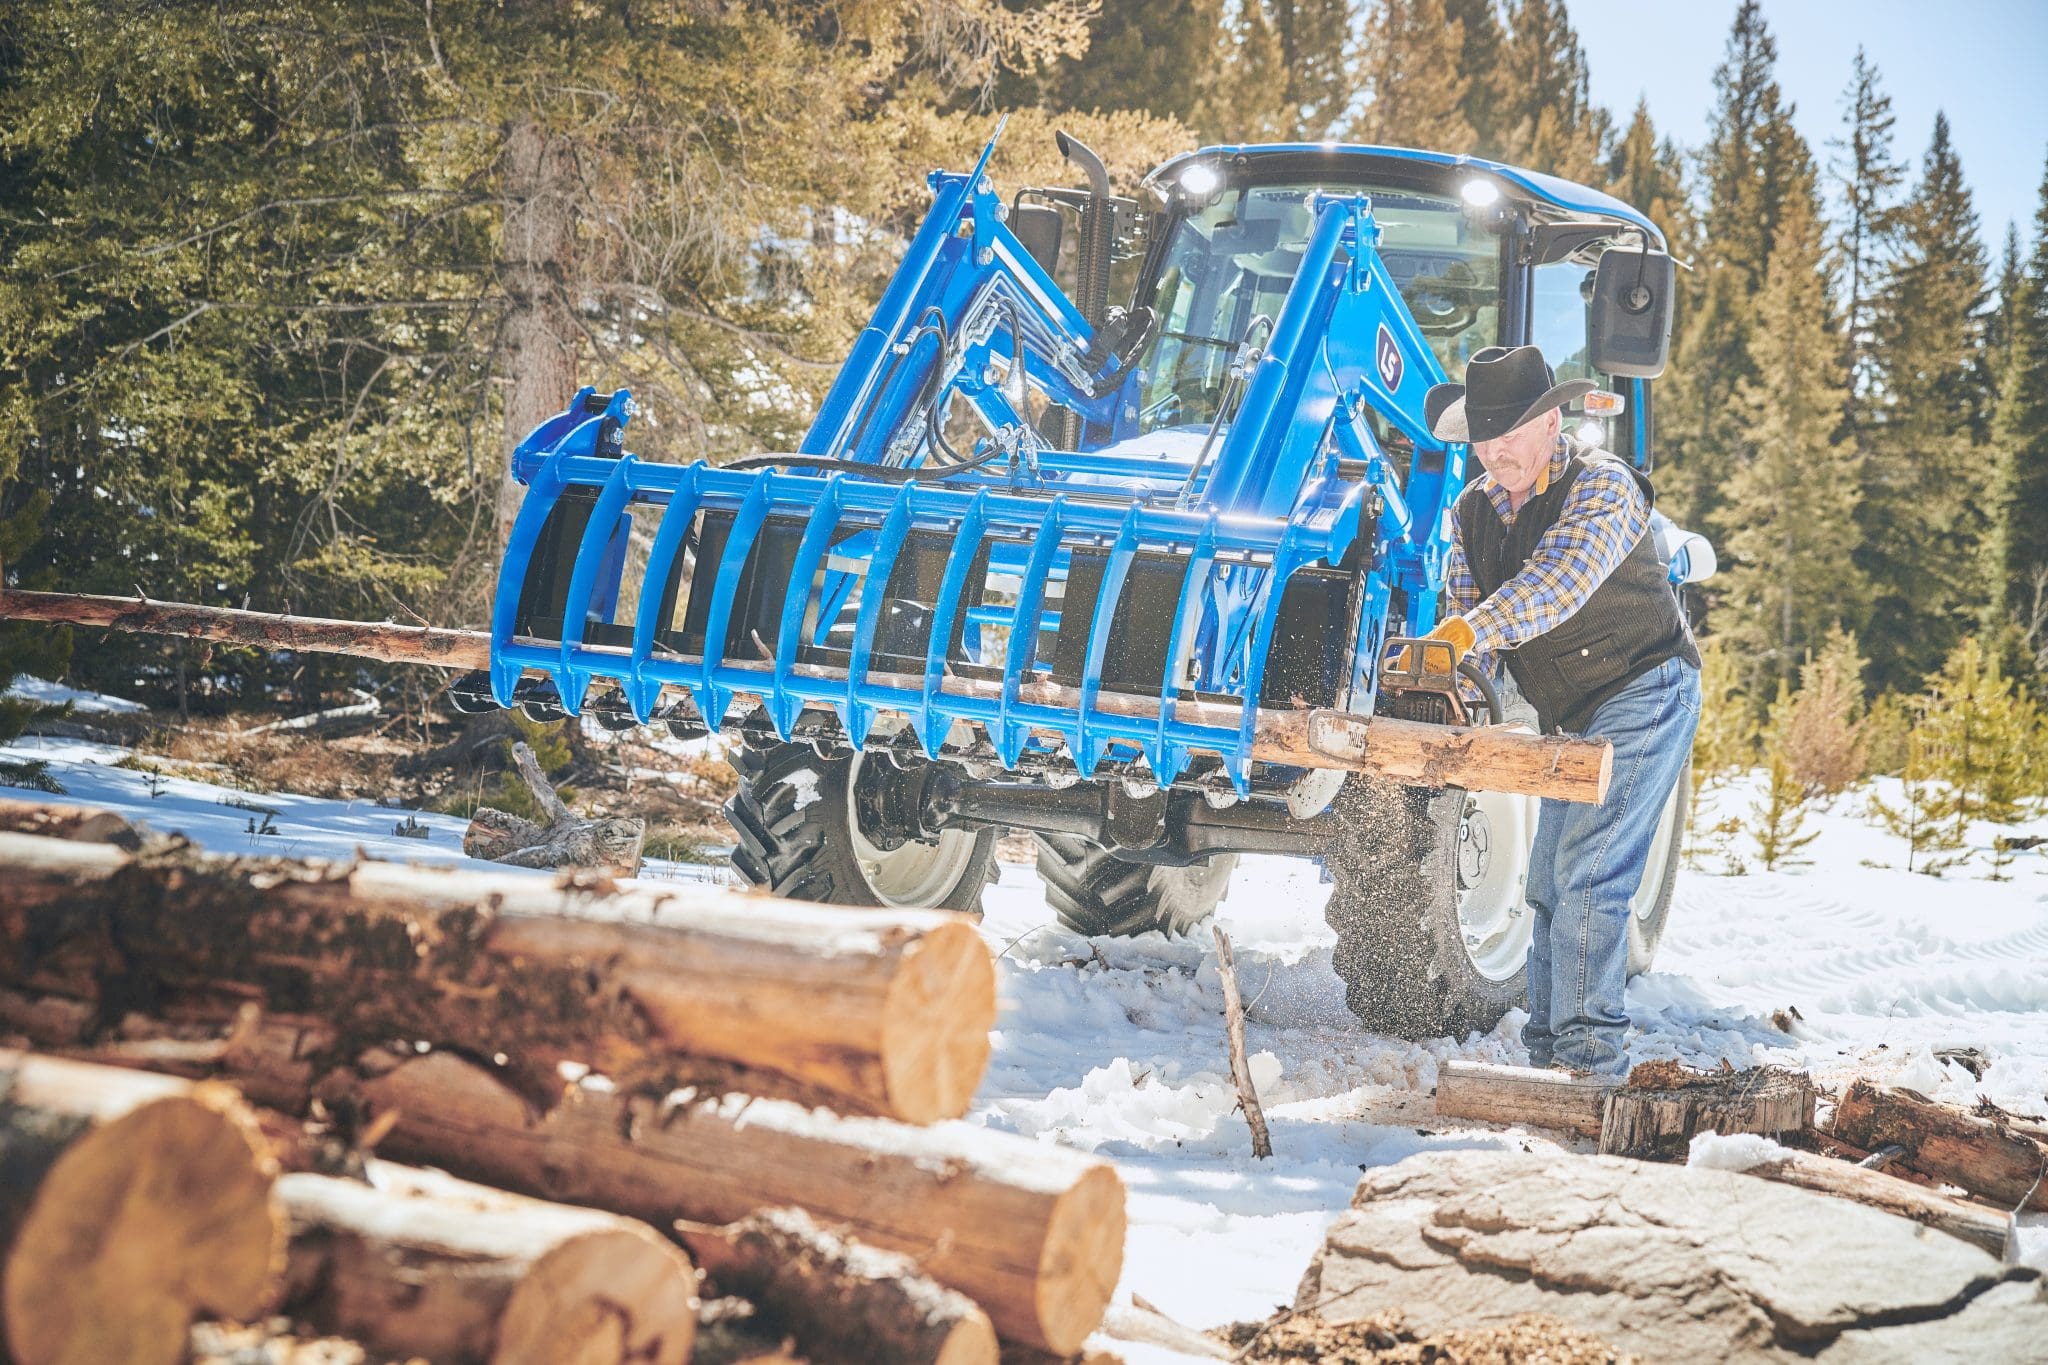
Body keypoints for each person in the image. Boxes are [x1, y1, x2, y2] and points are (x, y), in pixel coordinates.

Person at [1419, 345, 1701, 1077]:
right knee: (1547, 881)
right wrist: (1443, 677)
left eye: (1510, 429)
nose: (1494, 449)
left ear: (1551, 421)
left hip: (1645, 688)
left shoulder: (1603, 486)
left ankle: (1589, 1062)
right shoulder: (1471, 510)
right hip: (1570, 711)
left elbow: (1556, 586)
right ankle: (1550, 1053)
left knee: (1590, 875)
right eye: (1483, 434)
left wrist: (1471, 630)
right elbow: (1462, 619)